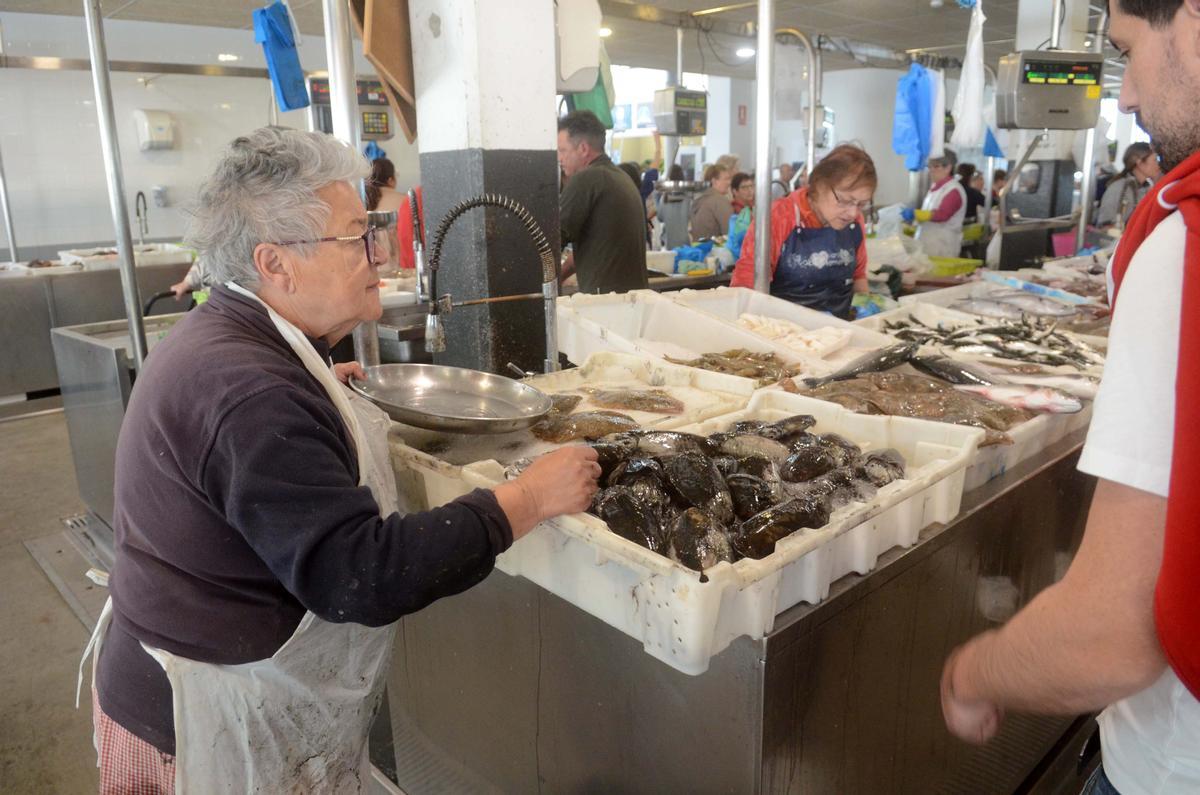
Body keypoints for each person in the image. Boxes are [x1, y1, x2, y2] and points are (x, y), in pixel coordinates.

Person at [81, 127, 601, 792]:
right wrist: (525, 498)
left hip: (218, 679)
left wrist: (321, 385)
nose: (379, 253)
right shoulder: (254, 395)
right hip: (199, 729)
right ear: (275, 264)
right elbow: (361, 574)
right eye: (357, 237)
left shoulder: (241, 338)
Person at [940, 3, 1200, 794]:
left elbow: (1117, 633)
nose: (1122, 99)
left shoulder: (1183, 247)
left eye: (1126, 51)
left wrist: (972, 671)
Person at [730, 144, 874, 317]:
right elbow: (746, 285)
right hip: (783, 332)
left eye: (862, 204)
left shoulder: (855, 221)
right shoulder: (779, 216)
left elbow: (858, 276)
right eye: (844, 200)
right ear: (819, 185)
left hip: (839, 331)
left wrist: (866, 311)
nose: (853, 212)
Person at [557, 110, 649, 294]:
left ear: (583, 149)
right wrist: (559, 276)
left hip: (605, 305)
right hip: (630, 301)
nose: (559, 158)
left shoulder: (586, 179)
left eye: (562, 150)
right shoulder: (620, 177)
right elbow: (595, 247)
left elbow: (551, 239)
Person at [903, 150, 967, 257]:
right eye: (930, 166)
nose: (931, 170)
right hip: (928, 245)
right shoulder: (935, 188)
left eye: (936, 166)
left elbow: (942, 215)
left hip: (943, 247)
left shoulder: (953, 190)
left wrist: (916, 214)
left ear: (948, 168)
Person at [1096, 142, 1163, 227]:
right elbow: (1105, 225)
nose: (1158, 165)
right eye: (1155, 160)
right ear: (1139, 162)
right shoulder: (1119, 187)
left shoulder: (1148, 188)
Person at [690, 164, 734, 239]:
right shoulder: (719, 201)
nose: (729, 182)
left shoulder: (699, 199)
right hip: (715, 248)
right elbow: (730, 233)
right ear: (714, 181)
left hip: (699, 247)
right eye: (726, 179)